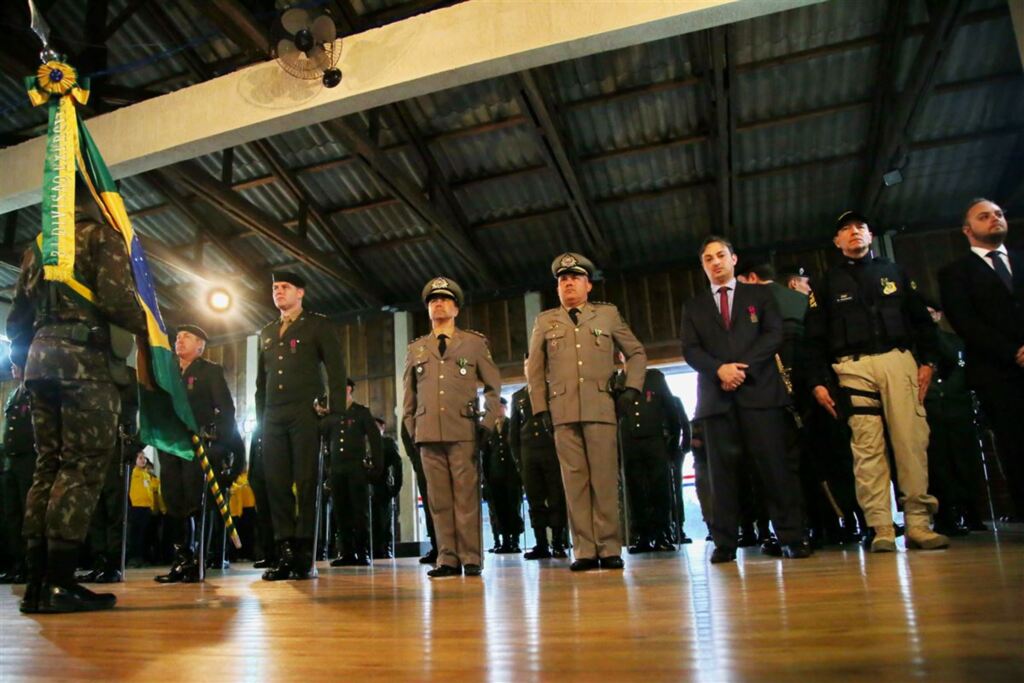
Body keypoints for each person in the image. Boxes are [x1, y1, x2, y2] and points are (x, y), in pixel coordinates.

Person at [7, 180, 147, 613]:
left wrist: (29, 354)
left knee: (46, 466)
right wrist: (152, 325)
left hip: (39, 363)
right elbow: (117, 300)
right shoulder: (101, 236)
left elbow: (17, 319)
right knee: (81, 467)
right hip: (84, 365)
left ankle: (36, 581)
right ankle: (60, 581)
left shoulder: (38, 246)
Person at [805, 210, 948, 552]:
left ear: (870, 236)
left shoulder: (895, 271)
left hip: (898, 361)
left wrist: (929, 361)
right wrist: (817, 381)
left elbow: (923, 323)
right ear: (837, 242)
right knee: (867, 448)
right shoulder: (825, 284)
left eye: (861, 228)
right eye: (846, 230)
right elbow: (812, 339)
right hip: (852, 368)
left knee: (911, 443)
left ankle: (918, 524)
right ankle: (881, 527)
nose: (854, 233)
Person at [680, 236, 810, 564]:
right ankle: (725, 542)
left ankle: (791, 537)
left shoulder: (760, 294)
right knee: (722, 477)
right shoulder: (693, 306)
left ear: (734, 259)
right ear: (703, 266)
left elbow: (773, 335)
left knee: (774, 470)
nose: (715, 262)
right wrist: (720, 370)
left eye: (721, 255)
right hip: (716, 399)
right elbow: (690, 350)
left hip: (760, 393)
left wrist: (740, 369)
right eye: (708, 258)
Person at [526, 252, 647, 572]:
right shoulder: (545, 321)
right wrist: (540, 408)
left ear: (588, 285)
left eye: (574, 278)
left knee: (605, 480)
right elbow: (534, 370)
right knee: (574, 482)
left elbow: (635, 352)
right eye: (562, 279)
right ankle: (584, 549)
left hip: (601, 406)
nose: (568, 283)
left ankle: (609, 547)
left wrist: (631, 388)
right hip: (562, 411)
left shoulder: (606, 316)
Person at [402, 277, 501, 578]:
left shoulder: (473, 343)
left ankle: (471, 557)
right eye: (433, 301)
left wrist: (486, 422)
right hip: (428, 434)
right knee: (439, 500)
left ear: (456, 308)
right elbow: (409, 396)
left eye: (445, 300)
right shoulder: (417, 348)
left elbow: (494, 388)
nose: (438, 304)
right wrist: (413, 431)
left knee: (466, 497)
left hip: (463, 432)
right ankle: (447, 558)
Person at [255, 272, 348, 581]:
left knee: (307, 482)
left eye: (284, 287)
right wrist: (260, 420)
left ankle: (306, 554)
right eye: (274, 288)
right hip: (273, 416)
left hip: (304, 413)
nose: (278, 292)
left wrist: (333, 413)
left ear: (300, 293)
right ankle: (284, 552)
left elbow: (336, 370)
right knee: (276, 484)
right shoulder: (266, 332)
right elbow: (260, 383)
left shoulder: (317, 325)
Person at [938, 199, 1022, 521]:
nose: (994, 219)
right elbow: (965, 322)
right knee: (1015, 445)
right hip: (996, 372)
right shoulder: (954, 273)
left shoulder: (1021, 260)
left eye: (999, 214)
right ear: (967, 229)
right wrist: (1013, 352)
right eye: (984, 216)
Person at [154, 324, 244, 583]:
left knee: (196, 504)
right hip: (172, 447)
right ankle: (181, 560)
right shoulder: (168, 372)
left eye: (187, 337)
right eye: (178, 336)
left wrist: (220, 445)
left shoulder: (209, 371)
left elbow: (226, 410)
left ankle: (198, 561)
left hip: (198, 448)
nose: (179, 340)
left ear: (200, 346)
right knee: (173, 504)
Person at [923, 304, 987, 535]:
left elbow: (961, 369)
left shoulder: (955, 342)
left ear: (939, 315)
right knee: (938, 464)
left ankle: (972, 512)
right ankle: (945, 517)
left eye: (931, 313)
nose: (928, 319)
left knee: (965, 462)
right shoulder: (915, 345)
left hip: (957, 408)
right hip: (932, 411)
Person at [78, 372, 140, 584]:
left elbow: (151, 414)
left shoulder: (131, 377)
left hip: (118, 450)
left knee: (115, 510)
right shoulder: (91, 373)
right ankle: (99, 562)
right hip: (92, 448)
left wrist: (135, 445)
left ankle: (113, 564)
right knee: (96, 510)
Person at [615, 366, 679, 553]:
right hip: (629, 443)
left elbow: (671, 411)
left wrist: (672, 447)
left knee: (659, 489)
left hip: (654, 441)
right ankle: (641, 535)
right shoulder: (617, 382)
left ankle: (662, 533)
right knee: (635, 490)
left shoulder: (654, 378)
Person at [510, 356, 568, 559]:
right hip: (529, 455)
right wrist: (519, 461)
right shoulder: (518, 397)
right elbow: (514, 434)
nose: (530, 369)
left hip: (551, 452)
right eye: (526, 366)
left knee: (556, 499)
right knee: (535, 501)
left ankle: (558, 543)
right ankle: (541, 544)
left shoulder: (553, 390)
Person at [321, 379, 381, 567]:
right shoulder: (331, 415)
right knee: (341, 512)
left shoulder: (361, 412)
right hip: (337, 470)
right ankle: (347, 552)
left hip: (356, 468)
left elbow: (375, 439)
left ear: (348, 389)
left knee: (359, 512)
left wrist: (377, 467)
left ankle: (362, 552)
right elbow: (323, 438)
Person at [0, 364, 36, 584]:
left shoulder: (34, 391)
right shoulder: (14, 393)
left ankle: (30, 564)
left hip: (28, 459)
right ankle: (17, 563)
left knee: (27, 513)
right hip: (11, 461)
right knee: (11, 515)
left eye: (17, 364)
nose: (13, 367)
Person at [481, 398, 524, 554]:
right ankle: (504, 540)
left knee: (514, 508)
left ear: (505, 408)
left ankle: (515, 541)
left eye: (500, 406)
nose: (498, 410)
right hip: (495, 476)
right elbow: (484, 456)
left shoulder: (513, 424)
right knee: (499, 510)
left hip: (512, 475)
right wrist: (485, 480)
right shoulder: (487, 429)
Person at [401, 422, 437, 564]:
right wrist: (416, 460)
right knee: (429, 507)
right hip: (422, 463)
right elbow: (406, 433)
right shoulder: (414, 410)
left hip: (442, 459)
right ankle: (436, 546)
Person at [371, 417, 403, 559]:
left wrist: (395, 487)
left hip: (382, 488)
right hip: (366, 487)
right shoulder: (361, 443)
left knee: (383, 521)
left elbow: (397, 464)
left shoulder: (387, 443)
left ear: (382, 427)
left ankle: (385, 548)